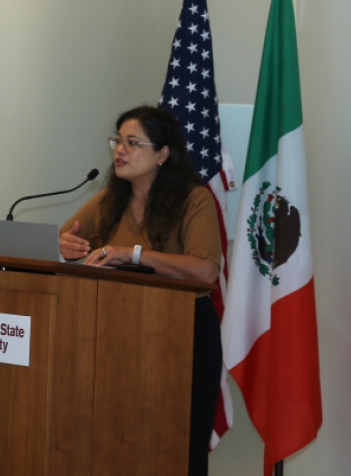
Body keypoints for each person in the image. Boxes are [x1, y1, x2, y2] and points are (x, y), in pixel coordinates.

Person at [60, 106, 222, 476]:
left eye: (133, 143)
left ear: (163, 154)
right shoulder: (111, 200)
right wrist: (63, 248)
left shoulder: (194, 200)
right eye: (118, 141)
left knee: (178, 445)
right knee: (116, 437)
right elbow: (62, 239)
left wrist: (133, 254)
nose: (120, 150)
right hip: (114, 332)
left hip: (183, 333)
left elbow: (206, 270)